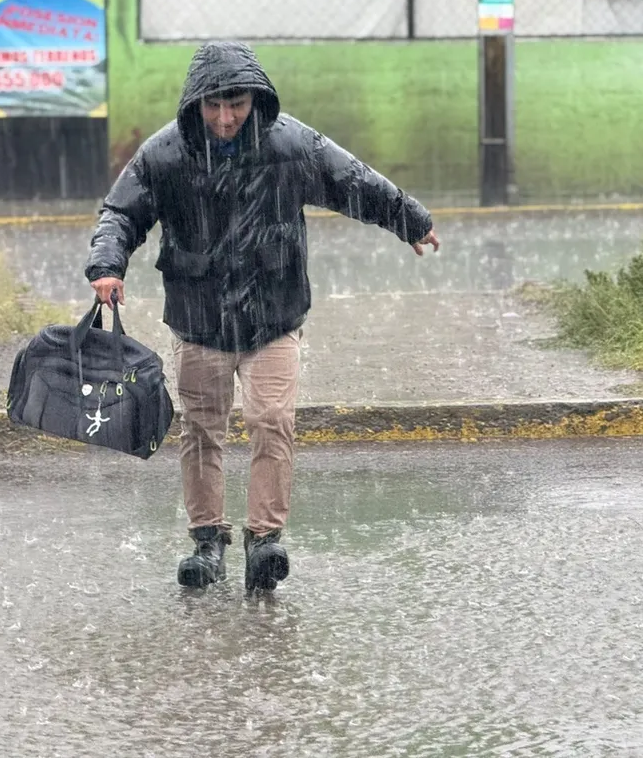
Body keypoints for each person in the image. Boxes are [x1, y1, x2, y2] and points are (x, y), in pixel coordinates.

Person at [84, 41, 439, 594]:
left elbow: (354, 181)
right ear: (195, 104)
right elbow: (121, 212)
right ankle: (206, 542)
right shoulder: (165, 154)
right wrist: (107, 265)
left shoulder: (293, 145)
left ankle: (264, 540)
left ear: (257, 100)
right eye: (214, 106)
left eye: (238, 104)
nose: (225, 118)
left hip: (274, 315)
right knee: (202, 431)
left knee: (272, 420)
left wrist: (409, 219)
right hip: (198, 320)